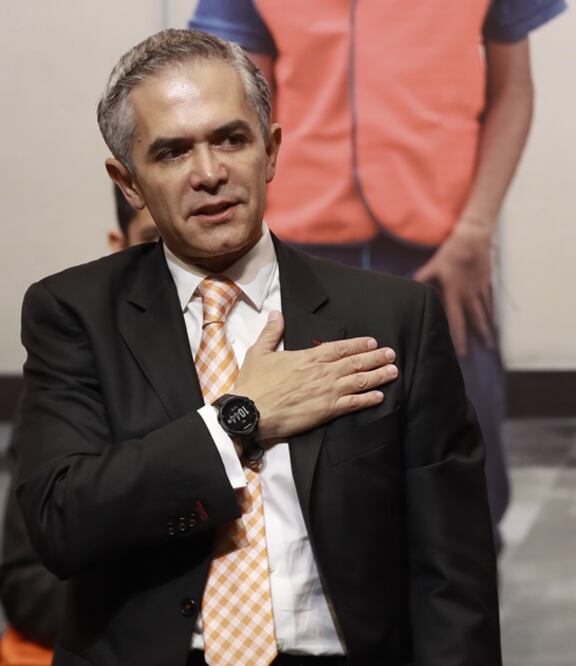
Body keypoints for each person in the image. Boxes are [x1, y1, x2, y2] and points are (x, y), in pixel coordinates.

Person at [12, 29, 499, 666]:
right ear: (128, 182)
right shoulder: (74, 314)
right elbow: (62, 520)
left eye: (230, 140)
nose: (209, 173)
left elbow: (452, 575)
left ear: (269, 151)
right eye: (172, 152)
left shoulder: (392, 317)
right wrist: (238, 419)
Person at [189, 0, 566, 550]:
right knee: (308, 479)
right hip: (300, 239)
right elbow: (236, 107)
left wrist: (475, 229)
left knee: (467, 475)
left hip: (444, 246)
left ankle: (458, 618)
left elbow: (513, 88)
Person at [0, 186, 160, 666]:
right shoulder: (69, 382)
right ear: (119, 245)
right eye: (155, 240)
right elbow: (27, 581)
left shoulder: (281, 364)